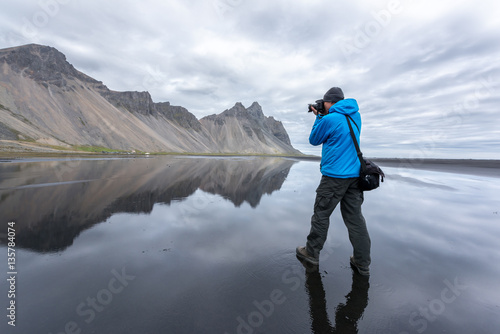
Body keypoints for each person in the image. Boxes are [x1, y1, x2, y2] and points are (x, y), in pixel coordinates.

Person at [296, 87, 371, 276]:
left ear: (330, 103)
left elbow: (314, 139)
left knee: (321, 215)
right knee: (355, 219)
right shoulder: (356, 117)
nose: (322, 105)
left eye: (324, 102)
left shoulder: (330, 118)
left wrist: (319, 116)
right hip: (354, 177)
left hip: (333, 178)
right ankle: (362, 263)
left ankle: (311, 254)